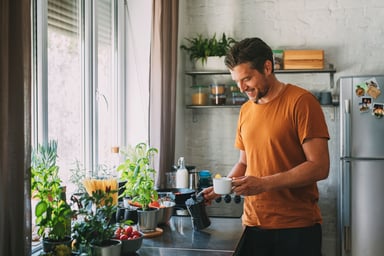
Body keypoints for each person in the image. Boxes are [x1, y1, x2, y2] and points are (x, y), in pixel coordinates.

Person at [202, 38, 330, 256]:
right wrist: (221, 187)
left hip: (296, 228)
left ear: (267, 67)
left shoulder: (301, 102)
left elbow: (319, 167)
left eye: (247, 78)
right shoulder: (245, 110)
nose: (242, 87)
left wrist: (263, 184)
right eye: (237, 81)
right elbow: (245, 161)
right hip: (252, 225)